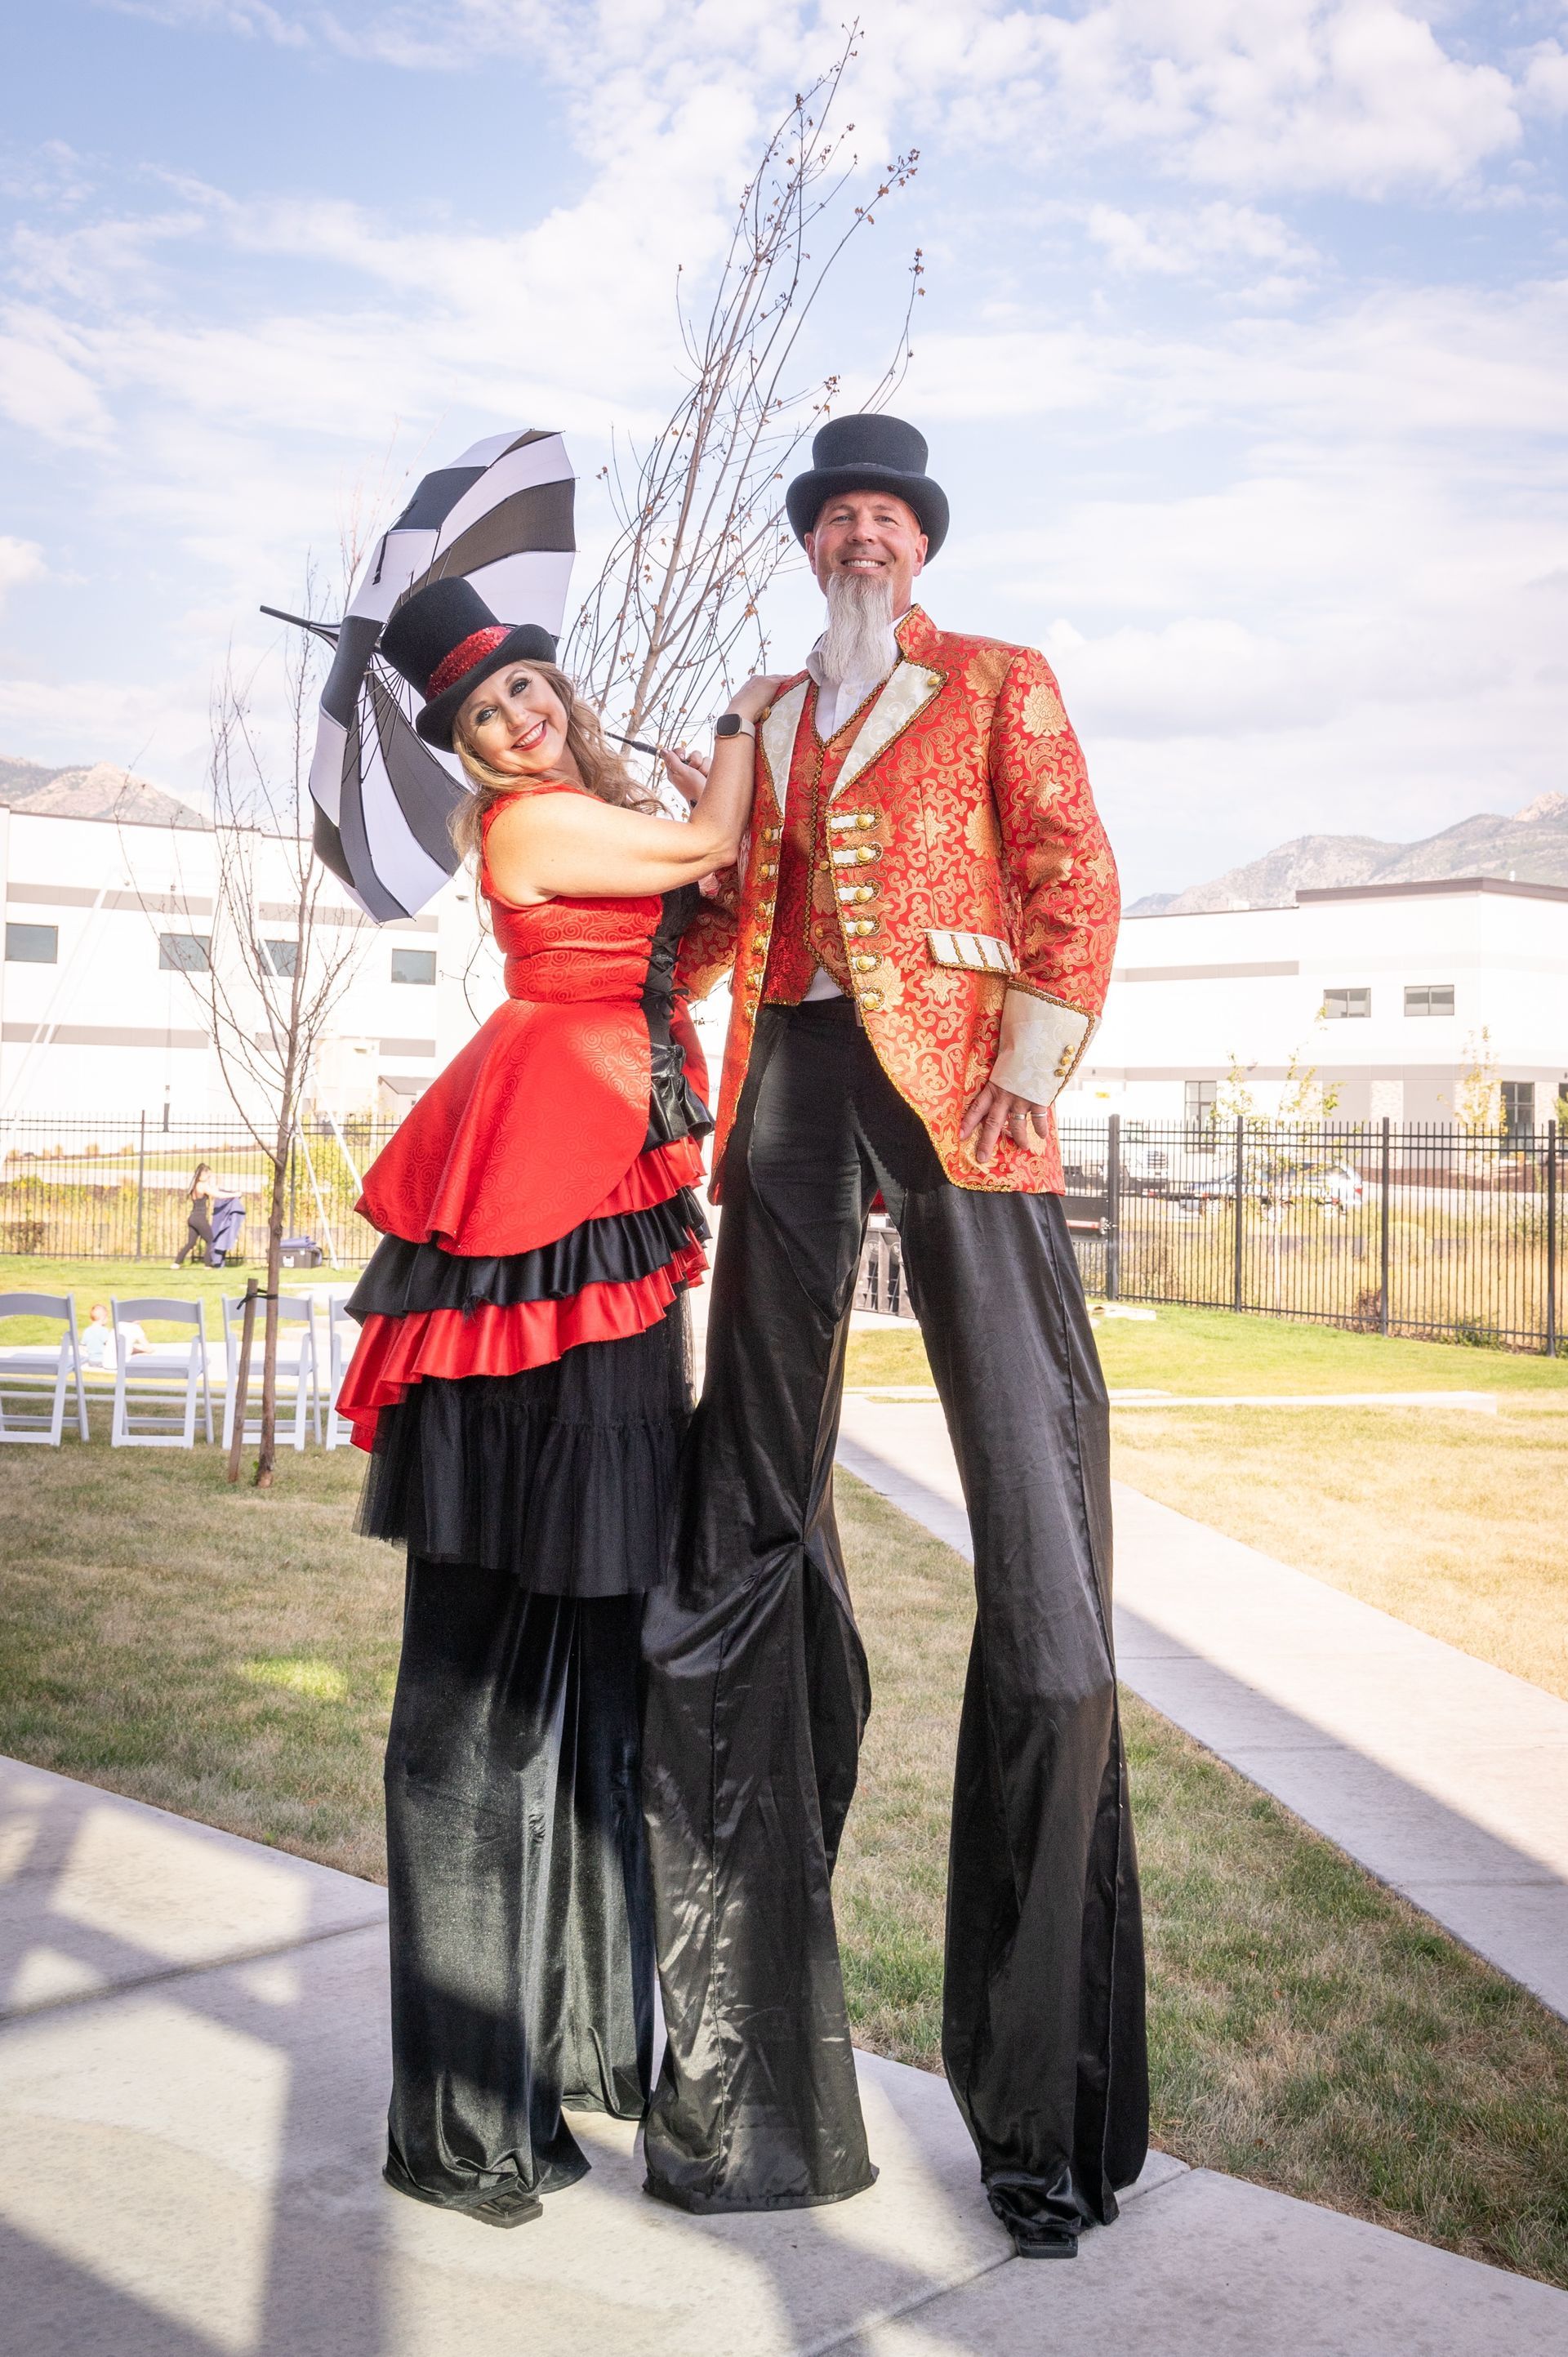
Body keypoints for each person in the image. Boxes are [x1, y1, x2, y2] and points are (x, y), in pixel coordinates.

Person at [644, 414, 1149, 2257]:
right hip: (790, 1076)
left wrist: (1029, 1065)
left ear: (919, 544)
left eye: (888, 516)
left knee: (1036, 1536)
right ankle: (736, 2063)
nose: (864, 536)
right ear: (813, 544)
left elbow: (1073, 874)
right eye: (840, 515)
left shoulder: (999, 679)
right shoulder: (768, 712)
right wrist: (640, 892)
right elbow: (725, 914)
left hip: (964, 1093)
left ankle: (1040, 2113)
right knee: (745, 1511)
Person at [333, 575, 773, 2231]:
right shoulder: (524, 828)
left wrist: (709, 844)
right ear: (467, 751)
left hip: (607, 1205)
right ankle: (460, 2118)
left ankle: (583, 2045)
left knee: (596, 1648)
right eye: (484, 716)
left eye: (527, 689)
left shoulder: (593, 809)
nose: (518, 720)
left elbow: (697, 925)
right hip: (532, 1208)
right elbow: (708, 842)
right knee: (475, 1688)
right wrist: (740, 729)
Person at [173, 1165, 215, 1266]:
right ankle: (208, 1264)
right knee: (210, 1240)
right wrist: (234, 1194)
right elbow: (216, 1194)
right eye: (208, 1175)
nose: (209, 1177)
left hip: (193, 1218)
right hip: (199, 1218)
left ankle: (177, 1263)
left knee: (191, 1243)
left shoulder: (195, 1186)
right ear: (202, 1175)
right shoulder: (202, 1185)